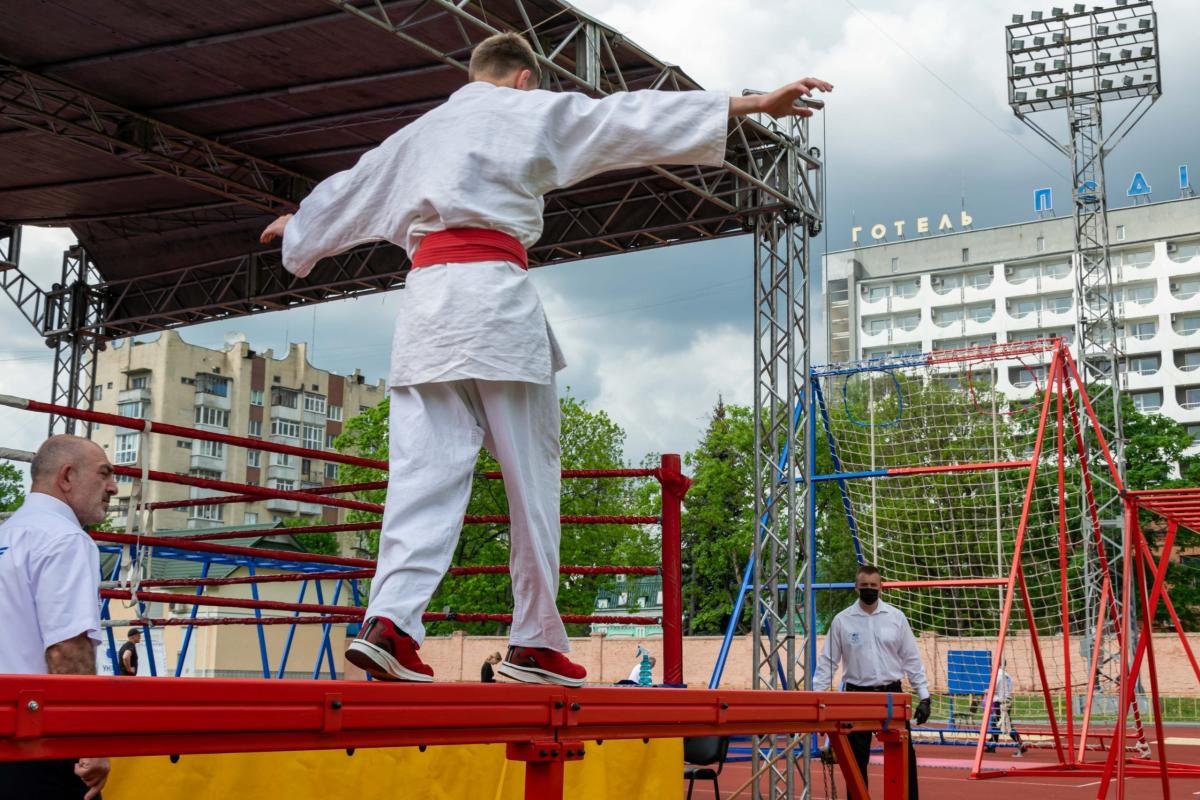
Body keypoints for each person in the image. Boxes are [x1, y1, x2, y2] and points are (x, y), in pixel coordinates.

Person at [261, 31, 832, 687]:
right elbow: (625, 118)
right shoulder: (522, 111)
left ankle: (389, 623)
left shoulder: (417, 135)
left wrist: (298, 229)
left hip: (425, 313)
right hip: (495, 305)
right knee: (530, 482)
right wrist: (752, 101)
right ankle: (533, 641)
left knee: (420, 478)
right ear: (524, 79)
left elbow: (352, 189)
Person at [0, 435, 115, 799]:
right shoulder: (66, 539)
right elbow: (68, 651)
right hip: (37, 739)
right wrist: (90, 741)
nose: (112, 487)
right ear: (67, 477)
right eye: (104, 474)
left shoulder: (8, 535)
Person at [812, 565, 930, 800]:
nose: (869, 590)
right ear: (856, 587)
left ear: (881, 588)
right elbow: (827, 662)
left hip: (892, 696)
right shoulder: (842, 621)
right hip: (856, 696)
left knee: (905, 758)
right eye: (864, 586)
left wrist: (924, 695)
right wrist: (819, 699)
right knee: (855, 762)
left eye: (873, 586)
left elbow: (911, 659)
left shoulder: (896, 618)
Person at [984, 663, 1028, 756]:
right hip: (1007, 700)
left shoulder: (997, 675)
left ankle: (1021, 745)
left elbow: (993, 689)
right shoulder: (1007, 675)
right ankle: (992, 745)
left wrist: (986, 691)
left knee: (1006, 725)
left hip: (1000, 702)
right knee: (996, 724)